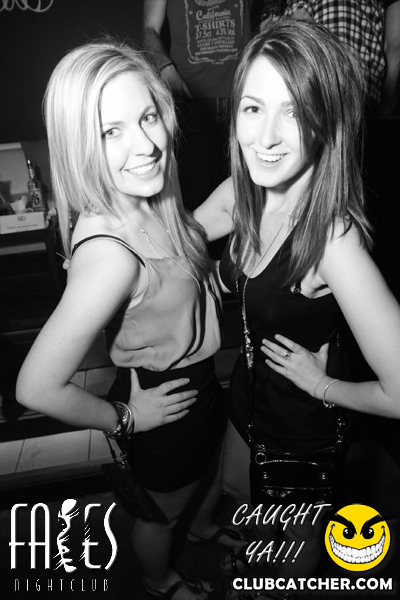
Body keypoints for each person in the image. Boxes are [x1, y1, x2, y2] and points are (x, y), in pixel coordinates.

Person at [16, 39, 240, 600]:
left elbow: (188, 236)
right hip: (160, 404)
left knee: (203, 482)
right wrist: (125, 418)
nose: (146, 144)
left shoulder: (150, 196)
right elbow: (35, 387)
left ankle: (203, 527)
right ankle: (159, 581)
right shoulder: (110, 256)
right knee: (161, 516)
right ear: (79, 144)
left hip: (197, 386)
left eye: (147, 117)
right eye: (110, 131)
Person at [194, 19, 400, 594]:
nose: (266, 137)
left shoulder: (333, 239)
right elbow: (176, 241)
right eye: (253, 108)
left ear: (327, 121)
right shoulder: (246, 194)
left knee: (295, 554)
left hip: (302, 429)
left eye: (294, 111)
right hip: (248, 398)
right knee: (242, 500)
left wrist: (323, 384)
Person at [142, 0, 253, 214]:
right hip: (189, 102)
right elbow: (149, 28)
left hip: (243, 100)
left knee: (246, 202)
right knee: (192, 204)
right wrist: (167, 71)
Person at [284, 0, 400, 117]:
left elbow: (299, 19)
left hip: (319, 83)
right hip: (365, 87)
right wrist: (386, 107)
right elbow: (394, 46)